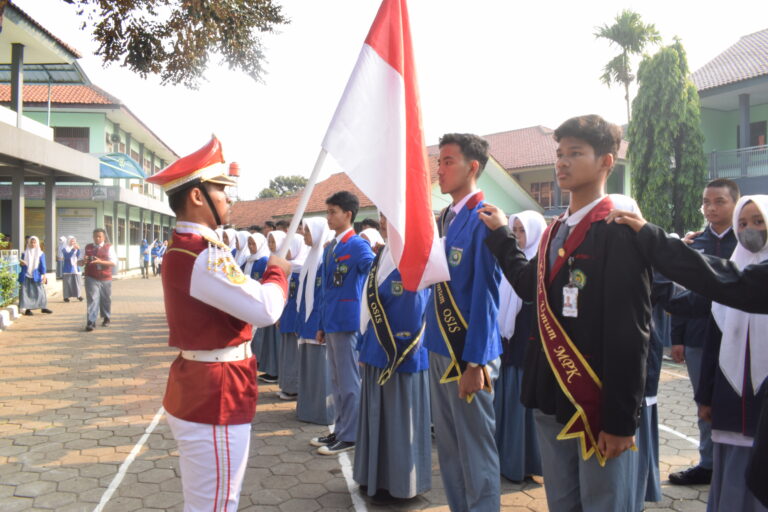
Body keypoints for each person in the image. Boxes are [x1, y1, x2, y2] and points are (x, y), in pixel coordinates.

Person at [480, 115, 652, 512]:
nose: (562, 162)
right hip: (550, 394)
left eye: (576, 153)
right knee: (562, 500)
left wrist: (621, 419)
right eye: (559, 154)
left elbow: (631, 332)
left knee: (602, 501)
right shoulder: (557, 228)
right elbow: (529, 287)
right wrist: (502, 236)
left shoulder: (618, 230)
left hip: (596, 401)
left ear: (607, 162)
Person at [145, 136, 290, 512]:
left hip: (209, 383)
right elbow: (266, 310)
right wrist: (277, 272)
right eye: (221, 189)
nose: (229, 198)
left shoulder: (191, 250)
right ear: (197, 197)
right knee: (217, 504)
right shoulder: (202, 255)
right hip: (216, 391)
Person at [425, 133, 502, 512]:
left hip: (468, 354)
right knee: (451, 448)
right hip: (439, 345)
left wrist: (477, 363)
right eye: (438, 161)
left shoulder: (485, 218)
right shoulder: (446, 217)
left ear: (472, 167)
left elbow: (487, 298)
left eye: (448, 161)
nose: (439, 169)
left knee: (476, 449)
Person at [353, 214, 432, 503]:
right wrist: (365, 344)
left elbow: (416, 308)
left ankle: (400, 485)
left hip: (403, 355)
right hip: (376, 351)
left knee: (400, 423)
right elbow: (367, 303)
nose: (385, 222)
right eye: (382, 216)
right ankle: (374, 478)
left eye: (391, 215)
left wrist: (397, 348)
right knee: (376, 418)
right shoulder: (382, 254)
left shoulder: (414, 257)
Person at [668, 178, 739, 486]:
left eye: (719, 201)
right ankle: (708, 463)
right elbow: (682, 295)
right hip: (699, 336)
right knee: (704, 402)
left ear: (735, 203)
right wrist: (677, 338)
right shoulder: (693, 245)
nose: (711, 208)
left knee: (738, 397)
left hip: (738, 337)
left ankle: (737, 463)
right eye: (706, 202)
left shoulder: (748, 241)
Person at [312, 191, 375, 455]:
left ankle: (351, 435)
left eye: (332, 212)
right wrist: (322, 324)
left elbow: (373, 273)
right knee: (336, 382)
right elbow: (327, 290)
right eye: (327, 212)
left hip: (349, 323)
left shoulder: (358, 246)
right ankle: (340, 429)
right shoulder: (332, 248)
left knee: (349, 383)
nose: (328, 217)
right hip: (333, 322)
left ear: (348, 214)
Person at [494, 211, 545, 483]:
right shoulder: (510, 266)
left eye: (522, 231)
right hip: (508, 350)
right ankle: (507, 460)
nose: (516, 236)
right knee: (507, 408)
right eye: (513, 230)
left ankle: (525, 464)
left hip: (528, 354)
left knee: (523, 411)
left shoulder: (541, 265)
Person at [295, 217, 336, 425]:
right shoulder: (311, 256)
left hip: (318, 322)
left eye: (308, 231)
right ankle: (308, 409)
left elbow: (324, 294)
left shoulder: (324, 257)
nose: (304, 235)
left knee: (321, 371)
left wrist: (321, 323)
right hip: (306, 321)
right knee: (309, 369)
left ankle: (323, 413)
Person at [277, 233, 308, 401]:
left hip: (295, 317)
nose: (286, 252)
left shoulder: (301, 268)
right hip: (286, 316)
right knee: (287, 354)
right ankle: (287, 385)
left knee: (293, 355)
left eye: (289, 248)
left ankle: (293, 388)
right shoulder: (289, 268)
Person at [255, 230, 287, 384]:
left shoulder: (284, 261)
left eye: (274, 242)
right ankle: (271, 369)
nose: (271, 245)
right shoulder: (271, 260)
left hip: (280, 306)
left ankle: (277, 371)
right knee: (270, 341)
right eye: (270, 241)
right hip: (269, 303)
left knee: (278, 342)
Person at [81, 228, 117, 331]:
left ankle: (106, 317)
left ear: (104, 237)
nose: (97, 238)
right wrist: (83, 261)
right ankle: (91, 321)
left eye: (99, 236)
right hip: (91, 276)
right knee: (92, 298)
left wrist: (100, 262)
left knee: (105, 298)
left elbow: (113, 263)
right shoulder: (88, 247)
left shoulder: (109, 247)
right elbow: (79, 262)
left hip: (105, 277)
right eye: (95, 236)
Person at [18, 236, 53, 315]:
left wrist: (44, 275)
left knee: (40, 292)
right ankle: (27, 309)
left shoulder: (41, 253)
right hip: (26, 275)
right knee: (26, 293)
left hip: (36, 275)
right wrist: (21, 263)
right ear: (28, 243)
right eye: (31, 242)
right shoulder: (24, 253)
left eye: (34, 242)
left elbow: (43, 265)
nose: (33, 244)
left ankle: (43, 307)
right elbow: (21, 264)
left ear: (37, 243)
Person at [61, 236, 83, 302]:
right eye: (72, 241)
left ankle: (78, 295)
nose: (73, 242)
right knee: (67, 283)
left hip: (75, 267)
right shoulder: (64, 248)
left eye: (74, 241)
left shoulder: (75, 248)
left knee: (77, 282)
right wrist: (73, 249)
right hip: (68, 268)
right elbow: (67, 256)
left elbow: (78, 256)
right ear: (68, 241)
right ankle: (66, 297)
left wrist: (78, 249)